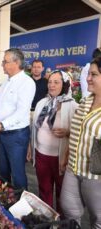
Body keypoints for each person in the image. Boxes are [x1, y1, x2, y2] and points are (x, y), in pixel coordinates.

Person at [28, 70, 78, 211]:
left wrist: (68, 132)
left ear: (65, 84)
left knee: (63, 194)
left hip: (62, 159)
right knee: (44, 190)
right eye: (50, 82)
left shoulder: (73, 106)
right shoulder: (42, 103)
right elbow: (34, 129)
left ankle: (62, 222)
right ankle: (47, 220)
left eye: (56, 82)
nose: (52, 85)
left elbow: (80, 133)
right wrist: (30, 147)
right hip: (41, 155)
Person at [60, 57, 101, 228]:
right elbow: (76, 132)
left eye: (94, 74)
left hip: (95, 176)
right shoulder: (86, 101)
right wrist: (66, 156)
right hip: (73, 168)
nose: (88, 78)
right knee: (69, 209)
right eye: (88, 74)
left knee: (98, 218)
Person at [0, 48, 35, 189]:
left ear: (17, 62)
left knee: (17, 173)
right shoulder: (6, 82)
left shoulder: (26, 82)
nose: (2, 65)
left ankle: (22, 206)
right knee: (3, 171)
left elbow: (22, 112)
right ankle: (6, 199)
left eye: (5, 62)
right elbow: (2, 107)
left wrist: (1, 125)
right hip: (3, 132)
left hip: (16, 135)